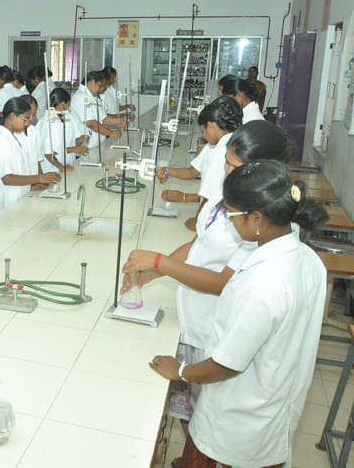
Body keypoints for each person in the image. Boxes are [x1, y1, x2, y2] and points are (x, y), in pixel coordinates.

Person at [122, 120, 294, 456]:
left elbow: (223, 282)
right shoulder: (228, 191)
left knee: (208, 411)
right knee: (192, 413)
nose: (225, 168)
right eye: (226, 161)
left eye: (233, 164)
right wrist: (157, 273)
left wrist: (160, 262)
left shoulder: (259, 219)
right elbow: (200, 242)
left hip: (216, 327)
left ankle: (197, 457)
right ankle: (191, 455)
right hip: (194, 316)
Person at [149, 160, 328, 468]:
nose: (229, 222)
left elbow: (226, 364)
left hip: (236, 422)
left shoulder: (263, 283)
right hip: (273, 407)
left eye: (231, 214)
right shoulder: (308, 260)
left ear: (256, 217)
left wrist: (179, 371)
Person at [157, 96, 242, 208]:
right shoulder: (216, 144)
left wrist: (196, 221)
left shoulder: (221, 153)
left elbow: (210, 198)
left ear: (211, 126)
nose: (204, 136)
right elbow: (193, 171)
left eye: (203, 131)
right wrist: (167, 171)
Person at [0, 97, 60, 214]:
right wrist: (40, 178)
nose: (27, 123)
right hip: (6, 205)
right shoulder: (1, 141)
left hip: (19, 200)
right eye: (25, 119)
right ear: (12, 117)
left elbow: (20, 170)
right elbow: (7, 178)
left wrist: (34, 185)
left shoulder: (13, 138)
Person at [41, 88, 89, 173]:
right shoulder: (49, 123)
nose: (68, 107)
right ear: (63, 104)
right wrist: (62, 168)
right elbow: (48, 152)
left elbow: (63, 144)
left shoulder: (61, 120)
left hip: (66, 165)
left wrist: (80, 140)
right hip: (54, 169)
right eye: (68, 104)